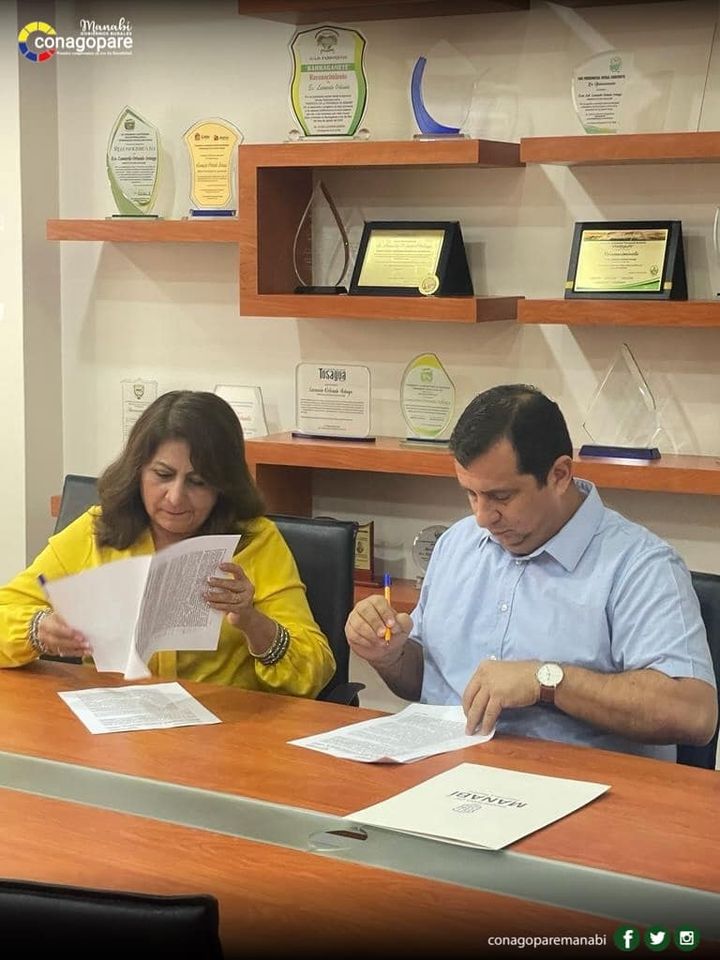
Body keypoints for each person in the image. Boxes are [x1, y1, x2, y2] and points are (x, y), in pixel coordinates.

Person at [346, 384, 717, 761]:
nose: (482, 517)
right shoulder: (457, 544)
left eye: (501, 497)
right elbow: (426, 679)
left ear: (560, 474)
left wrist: (548, 680)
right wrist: (389, 655)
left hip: (575, 782)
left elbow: (694, 714)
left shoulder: (639, 565)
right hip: (442, 769)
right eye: (471, 494)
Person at [0, 390, 335, 698]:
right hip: (114, 716)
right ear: (138, 471)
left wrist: (252, 621)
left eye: (197, 482)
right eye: (162, 475)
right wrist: (37, 629)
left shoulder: (255, 540)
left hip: (224, 721)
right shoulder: (98, 529)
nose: (175, 497)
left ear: (223, 486)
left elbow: (315, 670)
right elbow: (7, 610)